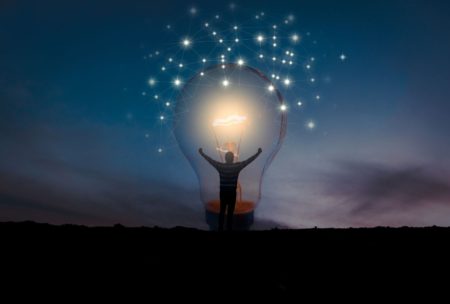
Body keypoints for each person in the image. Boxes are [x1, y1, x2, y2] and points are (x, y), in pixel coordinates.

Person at [199, 147, 262, 231]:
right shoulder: (236, 166)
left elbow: (211, 161)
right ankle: (229, 227)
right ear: (233, 158)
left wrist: (202, 153)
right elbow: (248, 161)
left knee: (222, 211)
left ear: (225, 158)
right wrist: (258, 153)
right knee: (230, 212)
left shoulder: (221, 166)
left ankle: (220, 227)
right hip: (232, 193)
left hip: (223, 193)